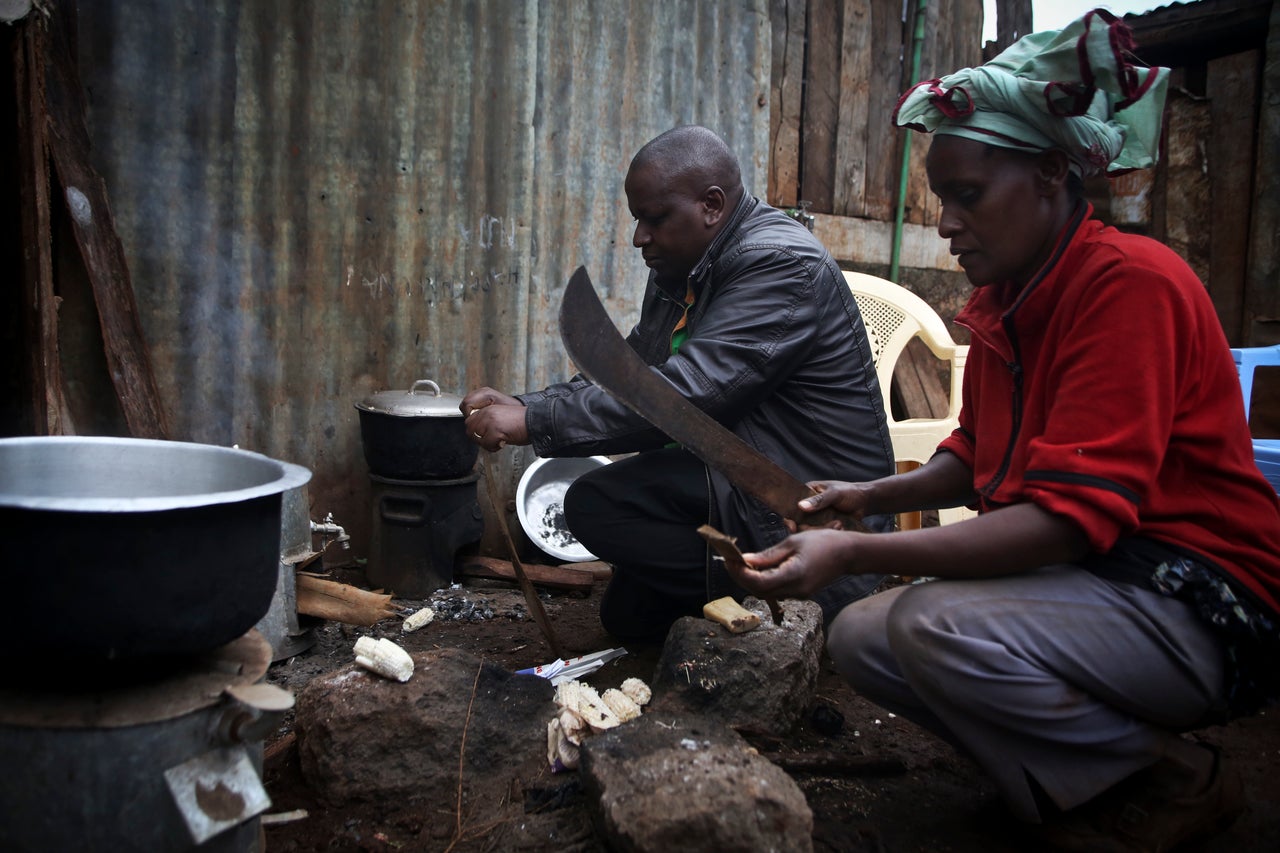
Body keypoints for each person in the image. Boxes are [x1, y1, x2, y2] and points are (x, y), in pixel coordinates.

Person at [723, 10, 1280, 851]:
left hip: (1200, 601)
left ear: (1053, 173)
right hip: (1099, 584)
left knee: (922, 624)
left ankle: (1175, 778)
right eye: (942, 199)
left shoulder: (1130, 286)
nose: (947, 223)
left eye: (968, 196)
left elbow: (1066, 520)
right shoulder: (1007, 306)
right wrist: (867, 496)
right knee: (865, 634)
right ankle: (1086, 785)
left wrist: (857, 548)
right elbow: (974, 456)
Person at [461, 124, 895, 642]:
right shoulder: (684, 267)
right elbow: (632, 371)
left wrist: (535, 421)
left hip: (806, 509)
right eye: (638, 220)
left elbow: (685, 396)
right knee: (628, 620)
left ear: (712, 205)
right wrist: (530, 402)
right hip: (741, 473)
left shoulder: (779, 264)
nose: (640, 236)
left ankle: (790, 595)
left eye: (655, 219)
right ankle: (731, 593)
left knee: (595, 505)